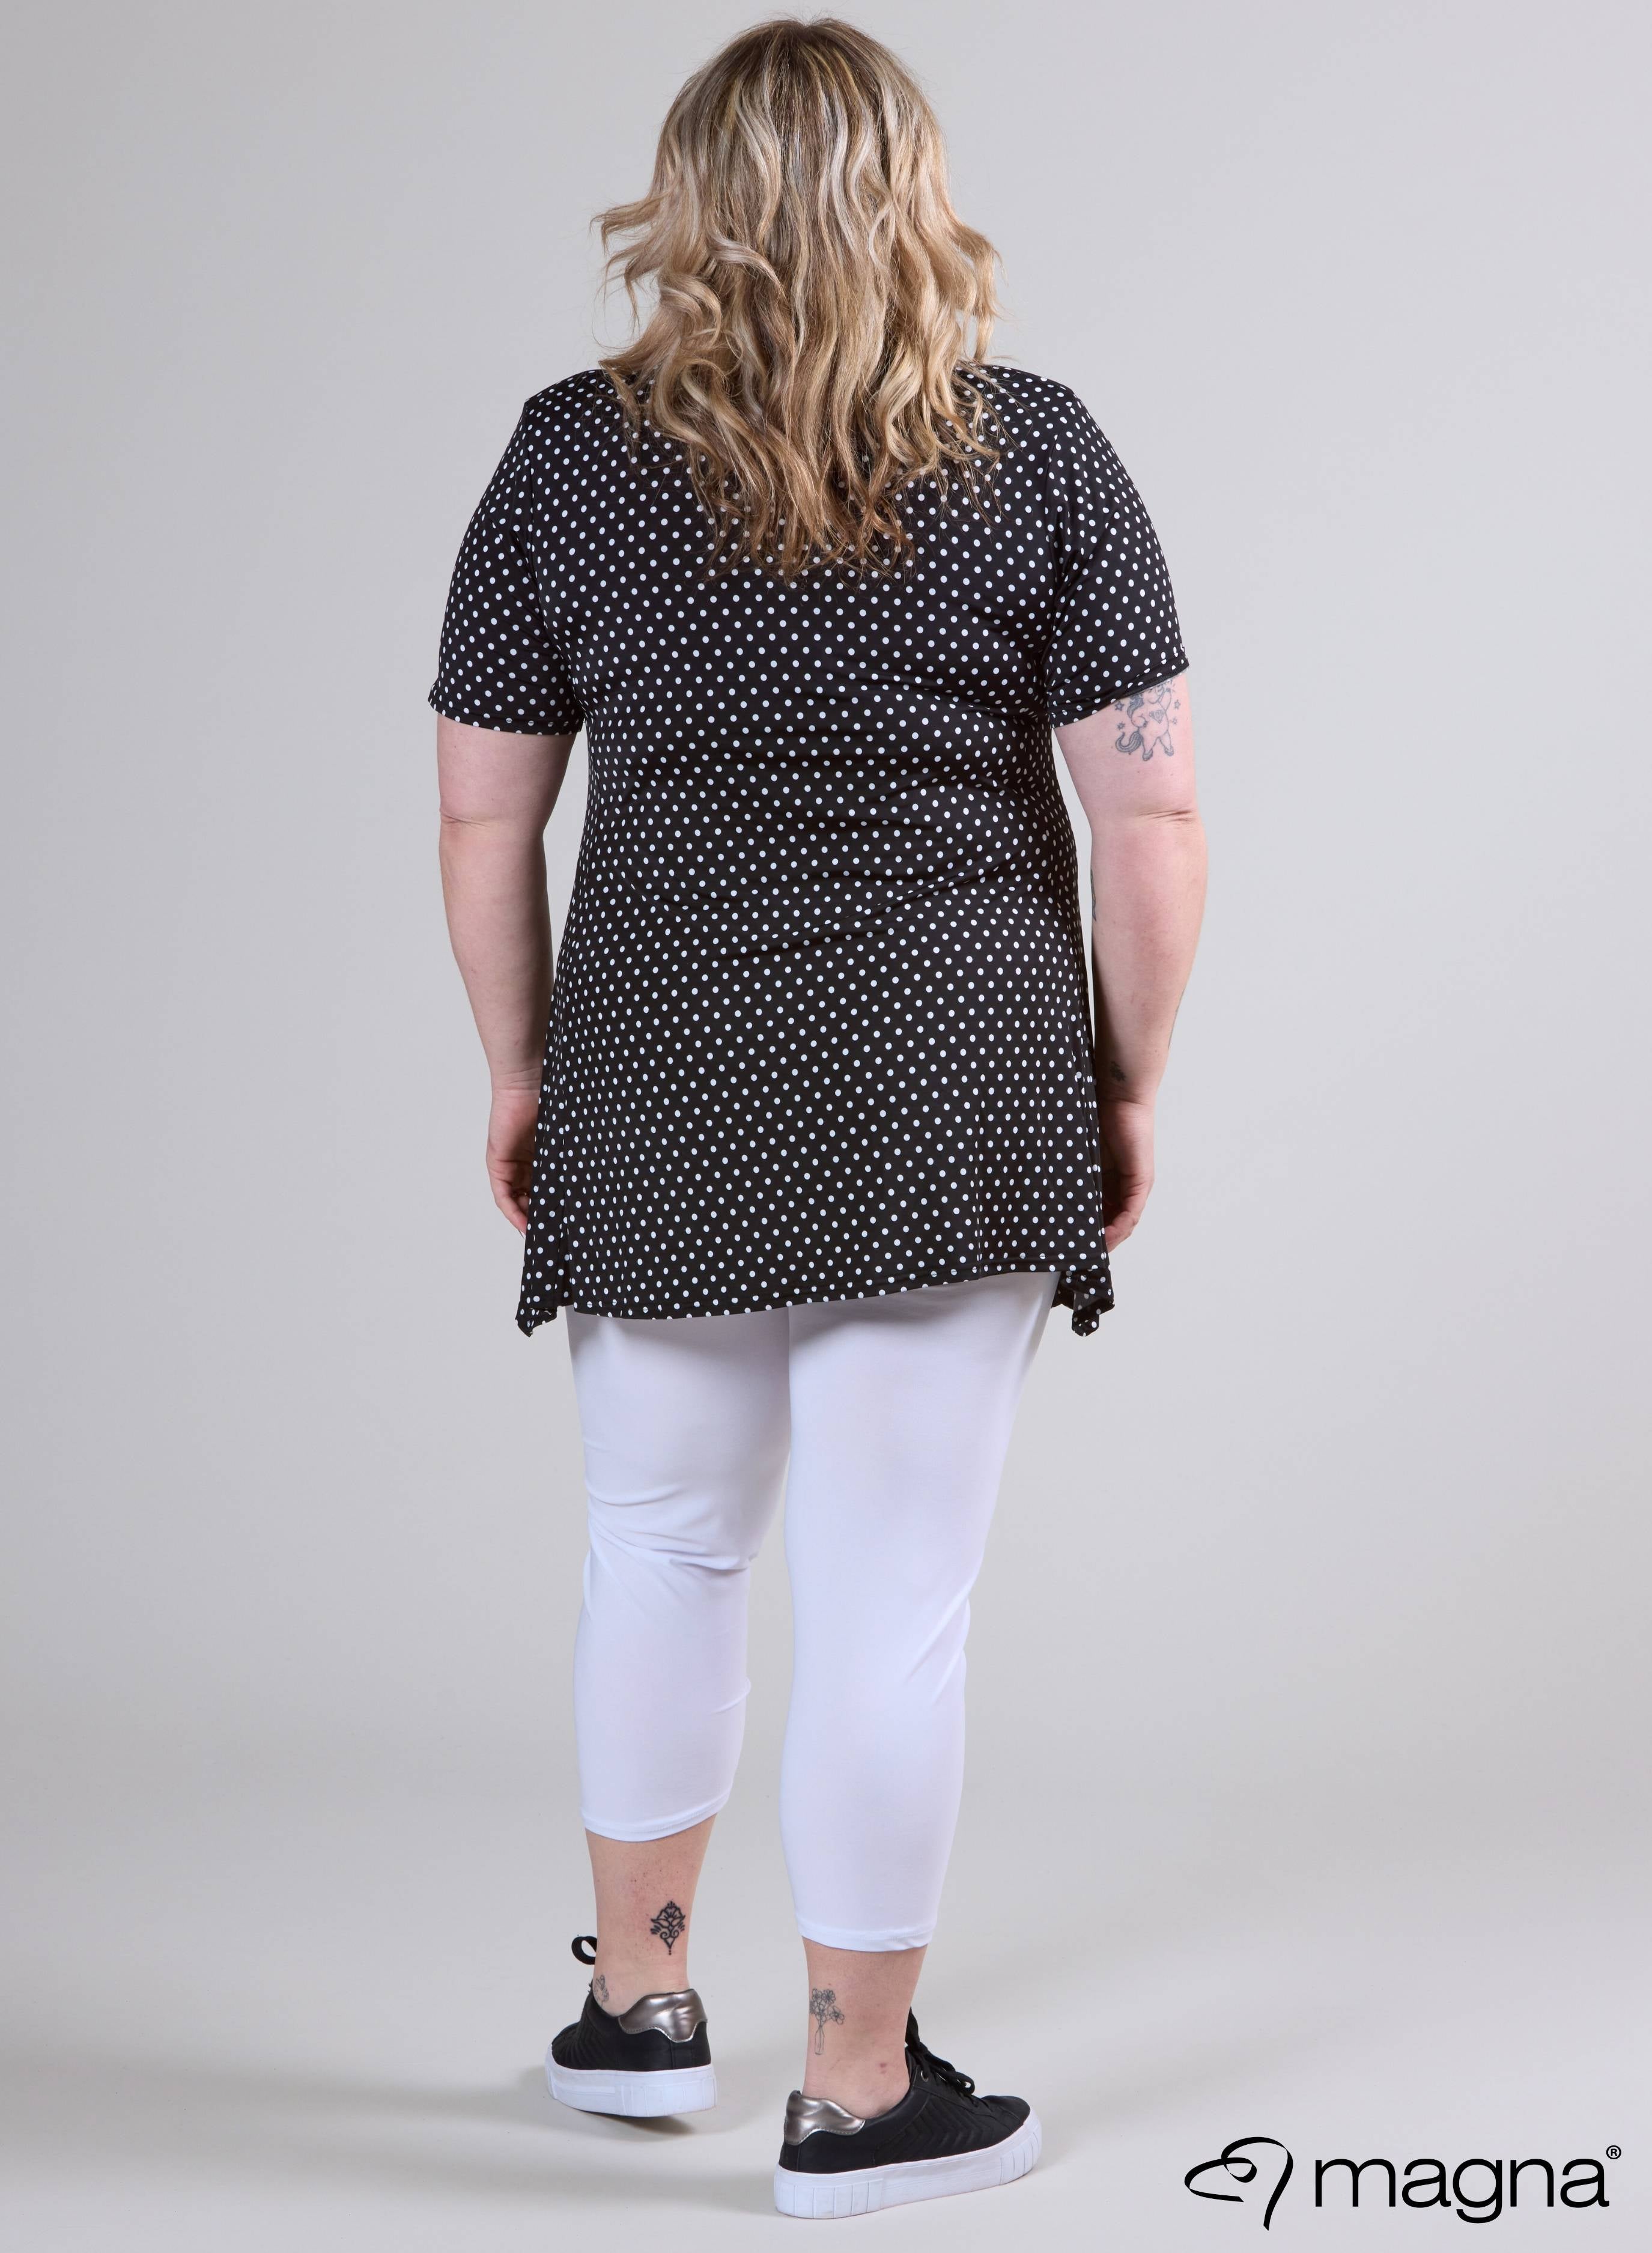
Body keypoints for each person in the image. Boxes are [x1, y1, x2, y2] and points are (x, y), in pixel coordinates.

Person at [431, 16, 1204, 2220]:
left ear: (686, 207)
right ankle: (859, 2097)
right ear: (915, 195)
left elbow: (485, 813)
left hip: (661, 1075)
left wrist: (520, 1067)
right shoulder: (1038, 451)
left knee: (660, 1549)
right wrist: (1129, 1075)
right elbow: (1151, 824)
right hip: (955, 1086)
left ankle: (639, 2011)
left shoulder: (566, 459)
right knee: (891, 1604)